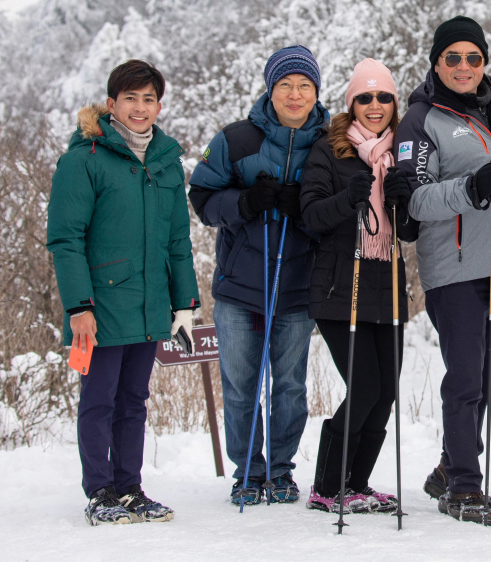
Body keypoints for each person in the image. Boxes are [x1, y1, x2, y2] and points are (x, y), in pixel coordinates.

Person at [392, 15, 491, 526]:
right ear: (436, 62)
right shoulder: (420, 120)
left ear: (485, 63)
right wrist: (470, 188)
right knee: (465, 380)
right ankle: (463, 485)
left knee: (487, 374)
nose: (463, 67)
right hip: (454, 267)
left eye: (473, 58)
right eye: (452, 58)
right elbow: (412, 202)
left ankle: (446, 469)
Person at [48, 60, 199, 525]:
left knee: (134, 400)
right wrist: (79, 306)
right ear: (112, 104)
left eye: (148, 99)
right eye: (130, 98)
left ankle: (129, 488)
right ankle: (100, 491)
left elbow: (178, 240)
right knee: (99, 400)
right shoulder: (84, 160)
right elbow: (65, 237)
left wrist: (184, 304)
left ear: (158, 105)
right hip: (101, 307)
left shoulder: (165, 162)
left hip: (150, 304)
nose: (140, 107)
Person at [188, 45, 328, 506]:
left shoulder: (331, 144)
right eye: (285, 85)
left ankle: (282, 472)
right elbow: (203, 199)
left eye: (304, 86)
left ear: (315, 92)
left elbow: (338, 213)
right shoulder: (235, 139)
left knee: (289, 385)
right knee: (242, 383)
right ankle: (248, 471)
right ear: (270, 90)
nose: (294, 94)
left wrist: (303, 212)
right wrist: (245, 204)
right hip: (239, 288)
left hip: (297, 287)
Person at [298, 58, 418, 514]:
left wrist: (403, 200)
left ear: (393, 102)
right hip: (338, 287)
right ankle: (327, 486)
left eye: (383, 96)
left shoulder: (401, 152)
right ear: (351, 104)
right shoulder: (329, 151)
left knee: (385, 392)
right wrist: (347, 200)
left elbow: (406, 232)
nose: (374, 105)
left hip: (386, 283)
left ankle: (358, 484)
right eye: (364, 97)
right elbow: (310, 217)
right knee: (364, 387)